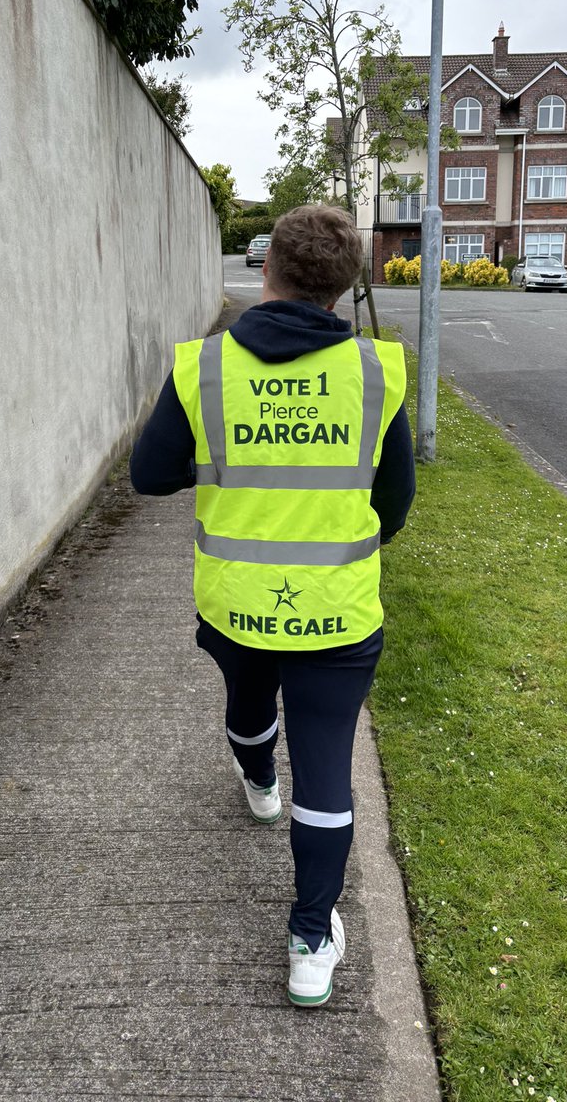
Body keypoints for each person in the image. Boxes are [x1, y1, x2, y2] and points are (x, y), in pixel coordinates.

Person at [130, 205, 415, 1007]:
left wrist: (225, 465)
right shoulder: (374, 372)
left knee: (248, 701)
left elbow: (148, 476)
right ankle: (310, 940)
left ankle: (258, 784)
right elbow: (394, 504)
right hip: (338, 610)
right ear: (344, 286)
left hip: (236, 604)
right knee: (325, 763)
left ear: (268, 271)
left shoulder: (204, 367)